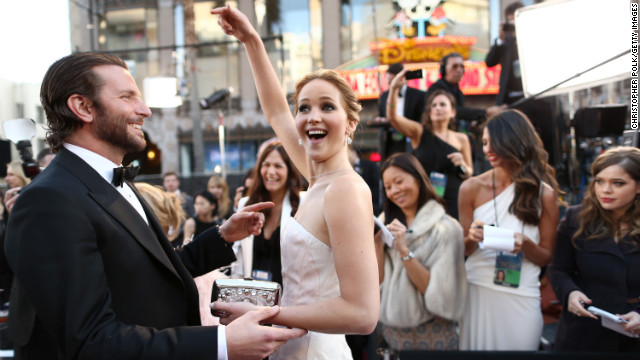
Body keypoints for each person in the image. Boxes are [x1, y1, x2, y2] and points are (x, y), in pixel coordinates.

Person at [4, 51, 305, 360]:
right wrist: (222, 344)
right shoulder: (48, 201)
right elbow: (91, 342)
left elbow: (151, 272)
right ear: (82, 107)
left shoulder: (110, 180)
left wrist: (222, 237)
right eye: (127, 97)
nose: (144, 110)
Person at [211, 5, 380, 359]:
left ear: (350, 123)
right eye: (304, 108)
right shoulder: (316, 177)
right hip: (290, 346)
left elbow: (363, 314)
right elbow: (275, 111)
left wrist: (266, 315)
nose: (312, 116)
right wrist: (251, 40)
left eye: (327, 107)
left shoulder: (345, 190)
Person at [458, 109, 562, 350]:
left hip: (521, 292)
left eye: (495, 143)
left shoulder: (543, 194)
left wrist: (525, 244)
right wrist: (472, 237)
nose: (487, 150)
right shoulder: (470, 188)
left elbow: (547, 255)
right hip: (477, 289)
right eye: (484, 143)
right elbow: (463, 250)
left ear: (515, 141)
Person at [547, 147, 640, 352]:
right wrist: (570, 293)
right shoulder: (575, 219)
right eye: (599, 181)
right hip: (583, 333)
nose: (605, 190)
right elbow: (558, 269)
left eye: (618, 183)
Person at [376, 153, 467, 350]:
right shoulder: (385, 224)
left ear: (417, 179)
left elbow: (439, 295)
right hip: (393, 335)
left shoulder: (447, 229)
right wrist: (375, 244)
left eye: (399, 182)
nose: (395, 191)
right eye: (388, 187)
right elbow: (378, 283)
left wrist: (404, 250)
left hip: (434, 334)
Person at [387, 84, 473, 219]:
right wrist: (394, 89)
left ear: (453, 112)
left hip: (454, 198)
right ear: (429, 112)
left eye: (442, 104)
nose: (437, 108)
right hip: (426, 198)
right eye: (434, 105)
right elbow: (393, 118)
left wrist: (462, 164)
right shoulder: (419, 132)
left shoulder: (461, 138)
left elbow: (469, 173)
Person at [232, 141, 303, 287]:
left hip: (289, 299)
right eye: (266, 165)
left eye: (278, 166)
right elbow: (238, 257)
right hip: (250, 298)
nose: (271, 172)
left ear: (290, 171)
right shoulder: (246, 204)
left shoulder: (302, 204)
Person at [424, 52, 504, 125]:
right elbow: (457, 111)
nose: (459, 70)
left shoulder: (457, 90)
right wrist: (486, 112)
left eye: (461, 66)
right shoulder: (437, 89)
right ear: (444, 69)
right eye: (454, 66)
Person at [374, 62, 427, 160]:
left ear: (403, 78)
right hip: (390, 142)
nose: (392, 85)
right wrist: (381, 120)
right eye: (389, 82)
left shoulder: (419, 96)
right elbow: (383, 114)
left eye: (394, 81)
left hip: (411, 140)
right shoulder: (384, 96)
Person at [485, 2, 525, 106]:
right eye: (510, 20)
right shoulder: (504, 42)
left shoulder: (531, 37)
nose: (512, 23)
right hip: (509, 99)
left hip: (531, 97)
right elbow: (489, 62)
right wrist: (500, 40)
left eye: (515, 19)